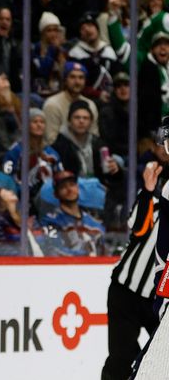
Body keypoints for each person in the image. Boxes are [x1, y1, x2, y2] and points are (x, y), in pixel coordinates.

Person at [101, 148, 166, 380]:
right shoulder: (156, 203)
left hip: (157, 302)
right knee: (121, 357)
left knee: (161, 359)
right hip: (125, 293)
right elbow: (136, 227)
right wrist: (148, 190)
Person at [40, 170, 106, 256]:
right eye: (63, 187)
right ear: (56, 194)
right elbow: (54, 249)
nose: (69, 189)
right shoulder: (50, 221)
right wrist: (86, 255)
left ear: (78, 188)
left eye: (72, 185)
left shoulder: (94, 223)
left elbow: (104, 251)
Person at [42, 62, 100, 144]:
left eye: (81, 78)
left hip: (85, 152)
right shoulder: (52, 104)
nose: (77, 82)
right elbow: (51, 140)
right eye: (72, 77)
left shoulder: (90, 105)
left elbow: (94, 136)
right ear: (65, 80)